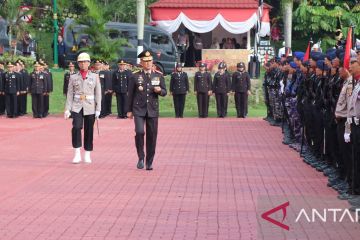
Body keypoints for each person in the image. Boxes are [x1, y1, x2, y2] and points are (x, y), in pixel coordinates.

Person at [127, 50, 167, 170]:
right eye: (145, 61)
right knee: (139, 132)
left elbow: (164, 92)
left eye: (150, 61)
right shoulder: (135, 76)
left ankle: (149, 161)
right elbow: (130, 95)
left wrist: (160, 90)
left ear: (152, 61)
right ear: (141, 62)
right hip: (138, 109)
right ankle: (141, 157)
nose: (148, 63)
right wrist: (129, 110)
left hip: (152, 110)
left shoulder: (158, 75)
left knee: (152, 136)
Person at [64, 52, 102, 164]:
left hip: (90, 106)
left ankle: (87, 153)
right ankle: (76, 153)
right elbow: (70, 94)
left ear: (89, 63)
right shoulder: (73, 77)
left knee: (89, 130)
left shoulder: (94, 76)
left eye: (85, 62)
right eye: (80, 62)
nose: (83, 64)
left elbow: (98, 93)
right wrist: (67, 108)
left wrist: (98, 109)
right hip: (77, 106)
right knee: (76, 127)